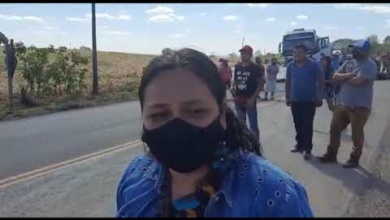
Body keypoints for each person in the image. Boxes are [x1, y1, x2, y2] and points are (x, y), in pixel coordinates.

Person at [116, 48, 314, 217]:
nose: (176, 127)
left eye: (195, 111)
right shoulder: (135, 178)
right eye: (159, 115)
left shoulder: (274, 195)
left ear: (221, 115)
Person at [317, 40, 378, 168]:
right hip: (342, 103)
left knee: (356, 133)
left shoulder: (369, 65)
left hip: (359, 106)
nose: (354, 52)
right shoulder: (349, 62)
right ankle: (331, 154)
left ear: (365, 52)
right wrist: (349, 75)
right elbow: (335, 77)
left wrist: (342, 77)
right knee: (334, 129)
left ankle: (354, 158)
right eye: (354, 49)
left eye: (357, 50)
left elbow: (358, 81)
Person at [285, 43, 325, 160]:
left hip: (309, 100)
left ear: (305, 53)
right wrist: (287, 97)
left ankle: (307, 149)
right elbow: (288, 82)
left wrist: (319, 97)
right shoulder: (290, 66)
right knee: (298, 123)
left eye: (299, 53)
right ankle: (299, 145)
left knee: (307, 124)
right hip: (295, 99)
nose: (296, 55)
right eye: (294, 53)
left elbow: (321, 81)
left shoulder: (314, 65)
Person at [232, 45, 263, 142]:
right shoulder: (237, 67)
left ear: (250, 55)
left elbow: (260, 84)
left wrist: (253, 98)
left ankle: (256, 145)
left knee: (253, 125)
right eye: (241, 53)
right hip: (238, 100)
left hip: (249, 100)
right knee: (241, 125)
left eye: (245, 53)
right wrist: (233, 88)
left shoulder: (255, 68)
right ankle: (244, 144)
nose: (242, 55)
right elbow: (236, 81)